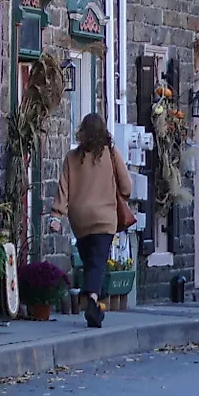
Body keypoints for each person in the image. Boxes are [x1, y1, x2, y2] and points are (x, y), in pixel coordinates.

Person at [52, 114, 137, 326]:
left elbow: (63, 188)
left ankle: (97, 303)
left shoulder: (72, 158)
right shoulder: (110, 154)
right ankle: (91, 300)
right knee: (97, 262)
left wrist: (56, 215)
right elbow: (126, 187)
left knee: (91, 261)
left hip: (79, 220)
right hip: (104, 218)